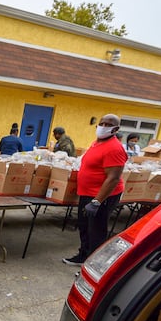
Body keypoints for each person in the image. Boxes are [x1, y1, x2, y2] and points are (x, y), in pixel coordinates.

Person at [63, 114, 127, 266]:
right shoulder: (97, 143)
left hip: (102, 197)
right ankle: (83, 256)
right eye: (102, 123)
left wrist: (97, 201)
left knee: (96, 232)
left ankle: (93, 265)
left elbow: (113, 178)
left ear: (115, 129)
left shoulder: (114, 148)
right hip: (87, 193)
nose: (103, 127)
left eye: (108, 124)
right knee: (84, 226)